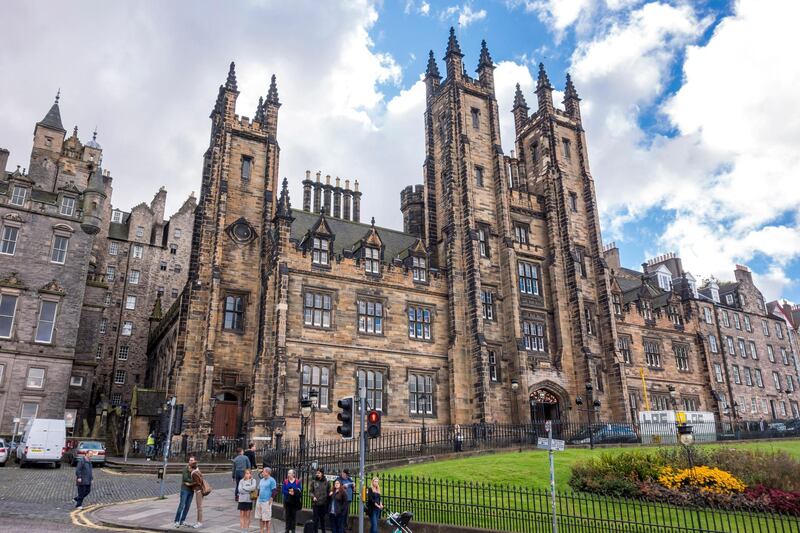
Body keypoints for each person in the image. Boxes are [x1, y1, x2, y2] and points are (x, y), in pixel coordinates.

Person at [174, 456, 196, 528]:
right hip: (184, 490)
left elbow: (198, 477)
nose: (190, 461)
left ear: (195, 462)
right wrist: (193, 481)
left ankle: (182, 521)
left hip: (191, 490)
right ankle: (177, 521)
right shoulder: (185, 469)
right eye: (190, 460)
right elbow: (185, 478)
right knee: (181, 505)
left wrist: (193, 481)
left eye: (192, 460)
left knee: (187, 506)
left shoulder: (195, 469)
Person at [255, 466, 277, 533]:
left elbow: (274, 490)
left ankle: (268, 531)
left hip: (266, 501)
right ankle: (261, 530)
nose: (262, 473)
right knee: (260, 517)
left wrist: (271, 498)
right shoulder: (262, 480)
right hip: (260, 501)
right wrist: (257, 496)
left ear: (267, 472)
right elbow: (259, 489)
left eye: (263, 471)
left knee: (267, 518)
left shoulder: (272, 480)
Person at [282, 469, 303, 533]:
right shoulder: (285, 481)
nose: (288, 475)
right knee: (287, 516)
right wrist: (289, 493)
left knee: (293, 516)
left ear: (293, 474)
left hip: (294, 501)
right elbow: (283, 490)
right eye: (288, 473)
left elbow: (299, 490)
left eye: (290, 473)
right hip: (287, 501)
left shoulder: (297, 482)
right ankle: (287, 529)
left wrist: (294, 492)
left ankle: (293, 529)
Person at [238, 468, 257, 533]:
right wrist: (248, 490)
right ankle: (242, 530)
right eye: (246, 473)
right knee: (242, 515)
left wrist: (244, 488)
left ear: (250, 474)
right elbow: (240, 490)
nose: (247, 475)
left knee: (247, 515)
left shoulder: (253, 480)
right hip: (241, 500)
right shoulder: (241, 481)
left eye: (248, 473)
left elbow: (253, 487)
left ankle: (246, 529)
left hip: (248, 500)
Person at [310, 468, 330, 533]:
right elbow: (311, 491)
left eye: (319, 473)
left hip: (323, 504)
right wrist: (313, 497)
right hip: (315, 504)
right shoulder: (313, 482)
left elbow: (329, 491)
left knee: (322, 520)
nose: (317, 474)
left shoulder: (327, 482)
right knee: (315, 520)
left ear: (322, 474)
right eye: (317, 473)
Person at [190, 459, 205, 529]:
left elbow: (198, 483)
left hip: (199, 491)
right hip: (200, 491)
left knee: (199, 507)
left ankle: (199, 522)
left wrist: (190, 484)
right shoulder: (197, 471)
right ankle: (199, 522)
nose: (189, 468)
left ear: (192, 467)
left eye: (190, 467)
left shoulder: (194, 473)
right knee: (199, 507)